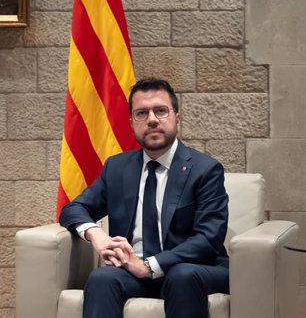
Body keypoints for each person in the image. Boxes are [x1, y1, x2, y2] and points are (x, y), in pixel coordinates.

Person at [59, 78, 229, 318]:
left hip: (193, 269)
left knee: (182, 276)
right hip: (132, 268)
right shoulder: (117, 168)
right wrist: (96, 235)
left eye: (160, 111)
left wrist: (150, 266)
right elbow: (73, 209)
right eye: (141, 113)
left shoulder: (205, 170)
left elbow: (208, 239)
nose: (151, 120)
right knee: (101, 278)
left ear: (177, 119)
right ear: (132, 123)